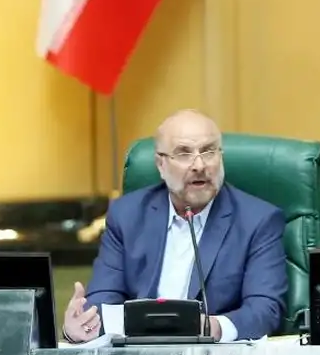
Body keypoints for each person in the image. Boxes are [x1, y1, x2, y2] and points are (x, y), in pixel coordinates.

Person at [62, 109, 288, 343]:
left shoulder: (258, 221)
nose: (199, 165)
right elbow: (103, 299)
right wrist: (82, 326)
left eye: (209, 151)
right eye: (184, 153)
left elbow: (266, 309)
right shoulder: (126, 215)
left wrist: (213, 327)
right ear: (160, 164)